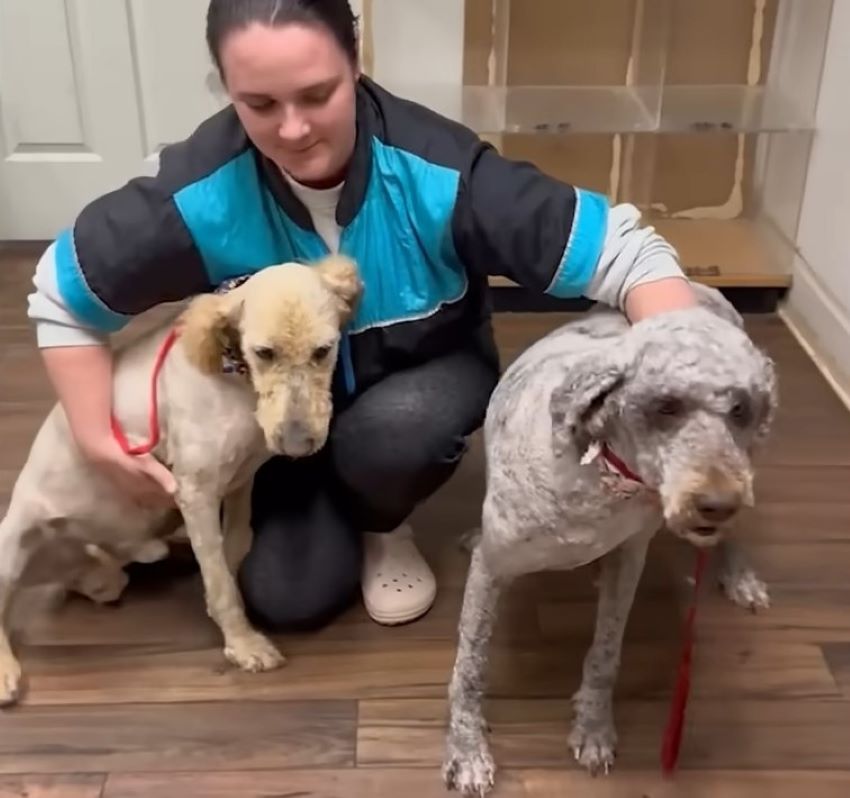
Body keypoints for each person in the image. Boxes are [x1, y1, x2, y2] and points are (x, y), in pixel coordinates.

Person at [27, 0, 698, 630]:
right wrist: (94, 436)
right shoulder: (197, 191)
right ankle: (311, 499)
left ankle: (385, 520)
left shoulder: (438, 166)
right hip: (277, 424)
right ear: (226, 89)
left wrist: (683, 423)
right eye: (259, 104)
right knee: (284, 602)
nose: (293, 129)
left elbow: (632, 256)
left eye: (318, 94)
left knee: (399, 433)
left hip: (420, 376)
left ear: (356, 62)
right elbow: (60, 296)